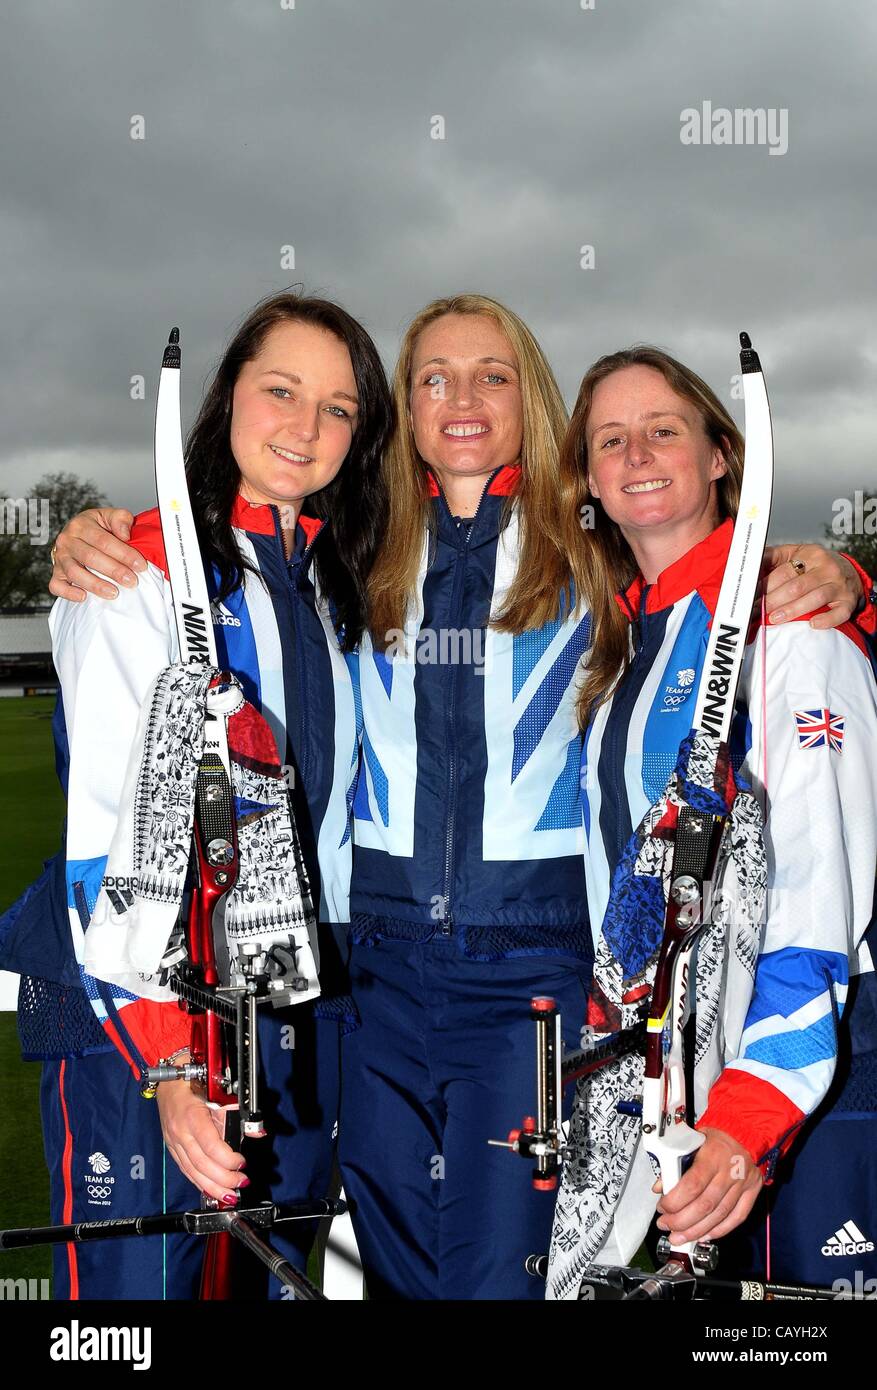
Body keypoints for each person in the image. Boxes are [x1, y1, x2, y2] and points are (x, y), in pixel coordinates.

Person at [47, 300, 871, 1301]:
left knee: (509, 1281)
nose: (463, 397)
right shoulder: (356, 548)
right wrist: (116, 532)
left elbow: (715, 579)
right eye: (433, 376)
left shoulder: (593, 550)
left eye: (492, 373)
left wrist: (843, 578)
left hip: (534, 985)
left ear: (529, 398)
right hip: (368, 987)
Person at [1, 291, 392, 1299]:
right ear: (226, 402)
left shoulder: (333, 585)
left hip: (284, 1006)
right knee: (129, 1314)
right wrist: (172, 1069)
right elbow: (108, 849)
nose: (306, 427)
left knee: (266, 1281)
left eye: (340, 408)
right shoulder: (134, 569)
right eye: (282, 390)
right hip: (135, 1021)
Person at [547, 346, 877, 1295]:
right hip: (670, 1080)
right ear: (589, 481)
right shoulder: (617, 649)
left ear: (721, 454)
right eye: (610, 439)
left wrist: (750, 1115)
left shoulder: (792, 622)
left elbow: (818, 894)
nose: (638, 452)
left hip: (791, 1090)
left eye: (664, 429)